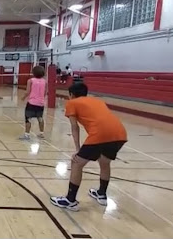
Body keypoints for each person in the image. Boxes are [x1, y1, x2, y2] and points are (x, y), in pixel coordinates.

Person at [50, 83, 127, 211]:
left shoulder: (72, 103)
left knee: (76, 163)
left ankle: (70, 200)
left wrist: (77, 149)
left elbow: (74, 127)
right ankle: (101, 194)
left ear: (71, 95)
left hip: (100, 134)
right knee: (104, 162)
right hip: (120, 133)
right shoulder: (98, 101)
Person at [20, 66, 47, 140]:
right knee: (40, 118)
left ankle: (27, 135)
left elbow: (28, 91)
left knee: (28, 118)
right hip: (41, 103)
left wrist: (23, 98)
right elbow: (45, 92)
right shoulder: (45, 81)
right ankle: (41, 133)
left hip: (31, 103)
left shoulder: (30, 80)